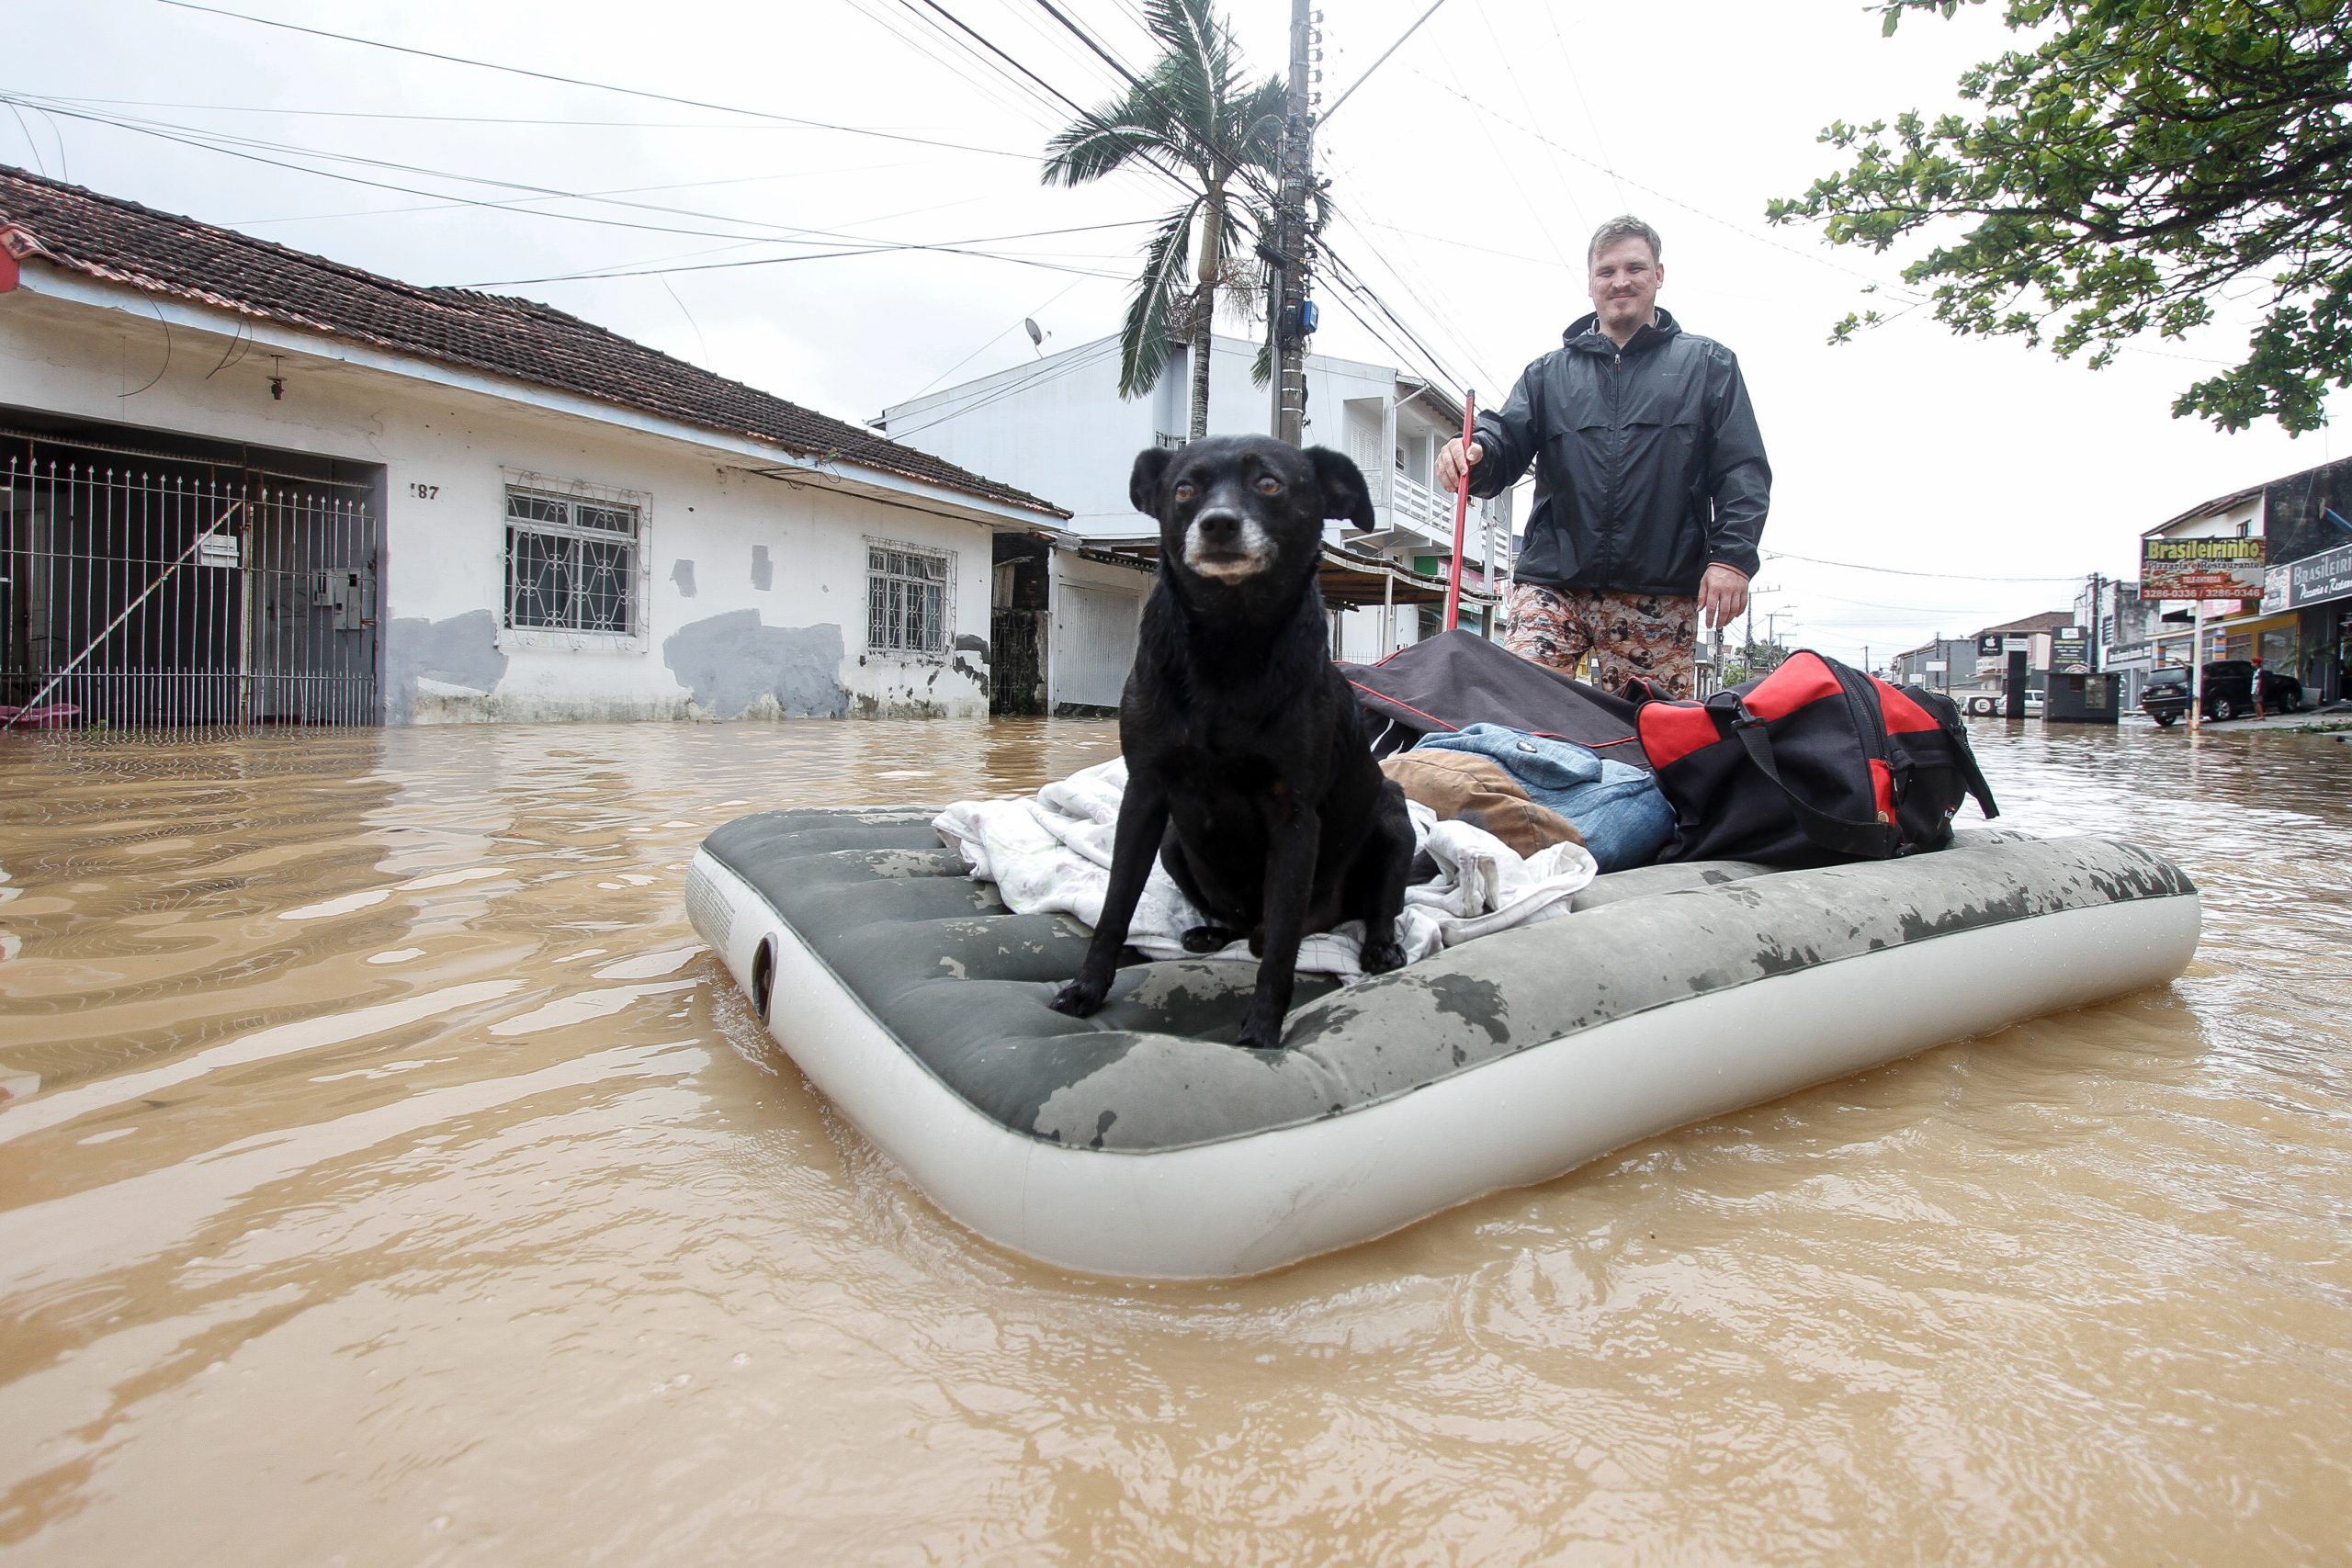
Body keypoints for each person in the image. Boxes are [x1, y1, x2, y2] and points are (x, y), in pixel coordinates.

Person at [1437, 216, 1770, 697]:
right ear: (1590, 283)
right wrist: (1475, 452)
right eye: (1606, 271)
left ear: (1659, 275)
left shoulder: (1708, 365)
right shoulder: (1547, 374)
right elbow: (1503, 440)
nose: (1620, 281)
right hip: (1553, 582)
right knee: (1518, 710)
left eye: (1635, 267)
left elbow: (1742, 470)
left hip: (1658, 587)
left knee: (1650, 736)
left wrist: (1733, 560)